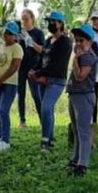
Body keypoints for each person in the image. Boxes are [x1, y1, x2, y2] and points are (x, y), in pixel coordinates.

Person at [29, 10, 72, 151]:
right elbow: (42, 58)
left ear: (60, 24)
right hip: (43, 79)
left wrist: (38, 73)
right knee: (46, 109)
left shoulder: (65, 42)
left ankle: (45, 140)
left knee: (46, 108)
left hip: (56, 79)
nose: (50, 24)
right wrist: (34, 70)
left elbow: (57, 64)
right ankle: (50, 137)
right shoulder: (48, 41)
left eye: (53, 22)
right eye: (49, 22)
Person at [66, 24, 98, 176]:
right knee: (76, 129)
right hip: (75, 94)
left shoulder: (88, 57)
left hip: (84, 95)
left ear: (90, 42)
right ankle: (75, 158)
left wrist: (74, 60)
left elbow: (80, 76)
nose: (78, 43)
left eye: (82, 40)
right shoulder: (81, 55)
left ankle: (82, 164)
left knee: (83, 131)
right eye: (76, 40)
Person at [0, 21, 23, 151]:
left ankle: (6, 140)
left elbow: (14, 67)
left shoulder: (17, 48)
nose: (7, 36)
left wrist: (0, 80)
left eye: (10, 34)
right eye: (6, 32)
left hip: (9, 83)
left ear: (15, 36)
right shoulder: (1, 48)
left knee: (4, 110)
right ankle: (0, 137)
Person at [17, 9, 46, 128]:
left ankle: (42, 119)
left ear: (32, 19)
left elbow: (42, 50)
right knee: (21, 94)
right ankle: (22, 120)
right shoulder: (20, 33)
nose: (24, 21)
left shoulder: (38, 33)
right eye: (22, 19)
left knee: (36, 95)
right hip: (22, 67)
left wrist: (30, 41)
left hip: (34, 67)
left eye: (26, 19)